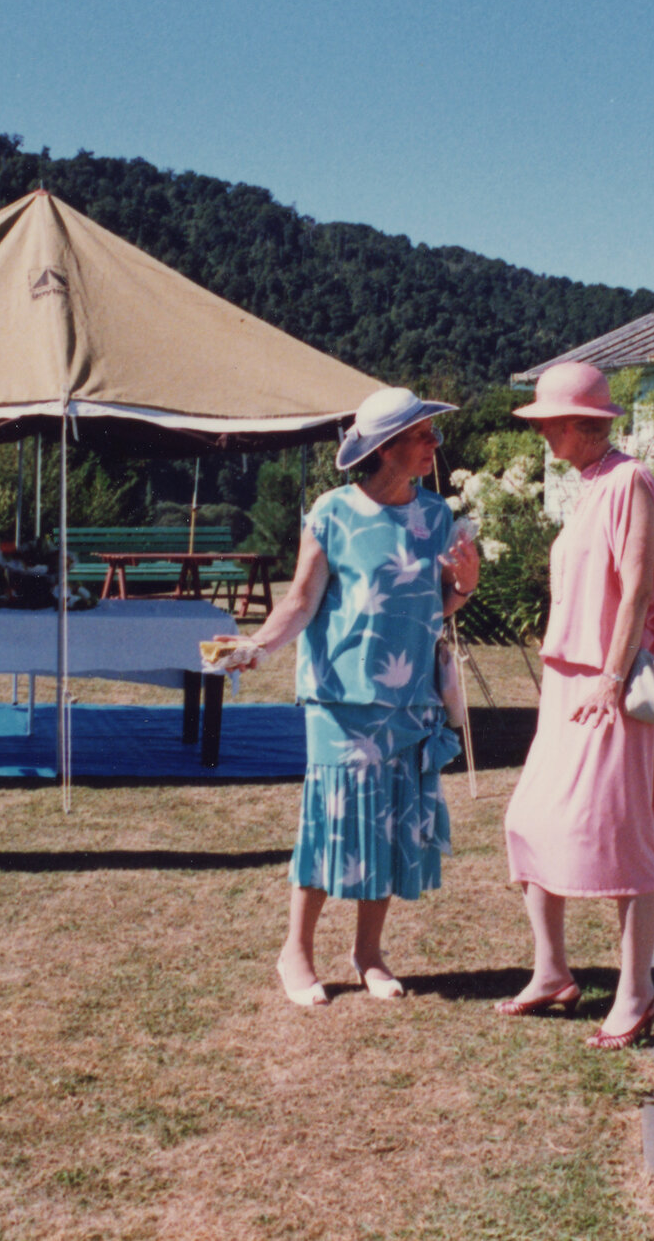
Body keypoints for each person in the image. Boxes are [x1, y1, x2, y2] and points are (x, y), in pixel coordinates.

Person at [213, 387, 481, 1005]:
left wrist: (464, 587)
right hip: (340, 698)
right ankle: (296, 953)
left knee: (387, 825)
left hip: (410, 698)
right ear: (385, 448)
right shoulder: (331, 512)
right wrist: (260, 646)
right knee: (331, 823)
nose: (434, 445)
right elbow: (302, 601)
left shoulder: (438, 516)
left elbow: (437, 607)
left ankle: (368, 953)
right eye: (423, 435)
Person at [496, 362, 654, 1049]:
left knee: (622, 835)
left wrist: (611, 675)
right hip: (569, 684)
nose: (541, 434)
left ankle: (637, 992)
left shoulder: (629, 480)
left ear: (583, 423)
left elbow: (633, 589)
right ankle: (552, 972)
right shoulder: (590, 484)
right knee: (530, 821)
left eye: (548, 422)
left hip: (612, 687)